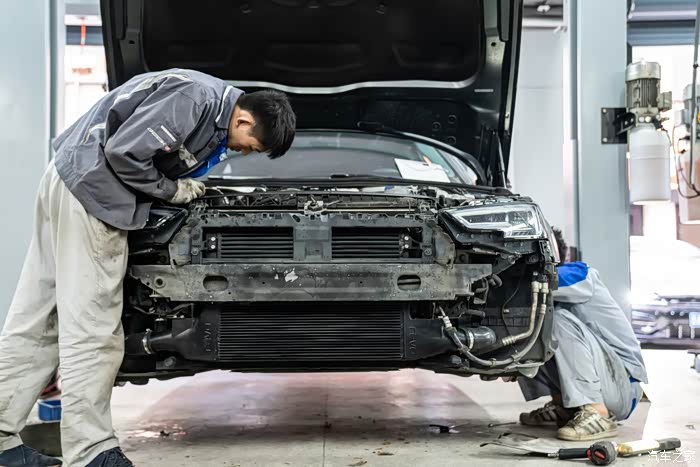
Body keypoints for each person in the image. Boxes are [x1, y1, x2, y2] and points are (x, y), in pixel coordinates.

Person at [0, 69, 296, 467]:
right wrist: (171, 190)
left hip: (69, 179)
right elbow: (124, 154)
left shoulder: (203, 101)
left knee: (37, 318)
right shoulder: (195, 99)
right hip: (94, 193)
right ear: (242, 119)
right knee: (93, 327)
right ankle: (91, 453)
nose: (244, 152)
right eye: (250, 146)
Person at [517, 229, 648, 441]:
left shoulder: (579, 273)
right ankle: (565, 407)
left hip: (622, 385)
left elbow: (544, 282)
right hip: (608, 381)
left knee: (554, 319)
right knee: (527, 326)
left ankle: (597, 412)